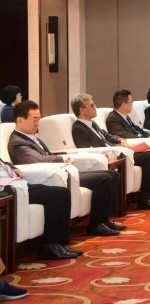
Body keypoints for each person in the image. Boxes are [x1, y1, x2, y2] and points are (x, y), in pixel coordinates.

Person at [9, 100, 124, 238]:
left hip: (63, 172)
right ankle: (96, 224)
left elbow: (48, 155)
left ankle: (104, 220)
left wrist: (66, 156)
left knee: (112, 175)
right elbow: (36, 159)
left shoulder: (31, 137)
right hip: (48, 177)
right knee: (104, 179)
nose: (37, 123)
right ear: (20, 120)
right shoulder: (18, 142)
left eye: (39, 119)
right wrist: (63, 159)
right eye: (34, 119)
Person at [70, 92, 150, 210]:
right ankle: (144, 198)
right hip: (108, 156)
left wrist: (119, 139)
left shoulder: (92, 123)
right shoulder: (79, 128)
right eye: (92, 105)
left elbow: (106, 135)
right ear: (81, 109)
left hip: (115, 151)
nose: (95, 107)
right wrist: (111, 150)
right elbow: (86, 149)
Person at [0, 155, 77, 260]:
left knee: (62, 193)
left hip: (19, 185)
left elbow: (4, 162)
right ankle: (51, 246)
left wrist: (13, 168)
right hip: (9, 189)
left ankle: (58, 244)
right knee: (59, 194)